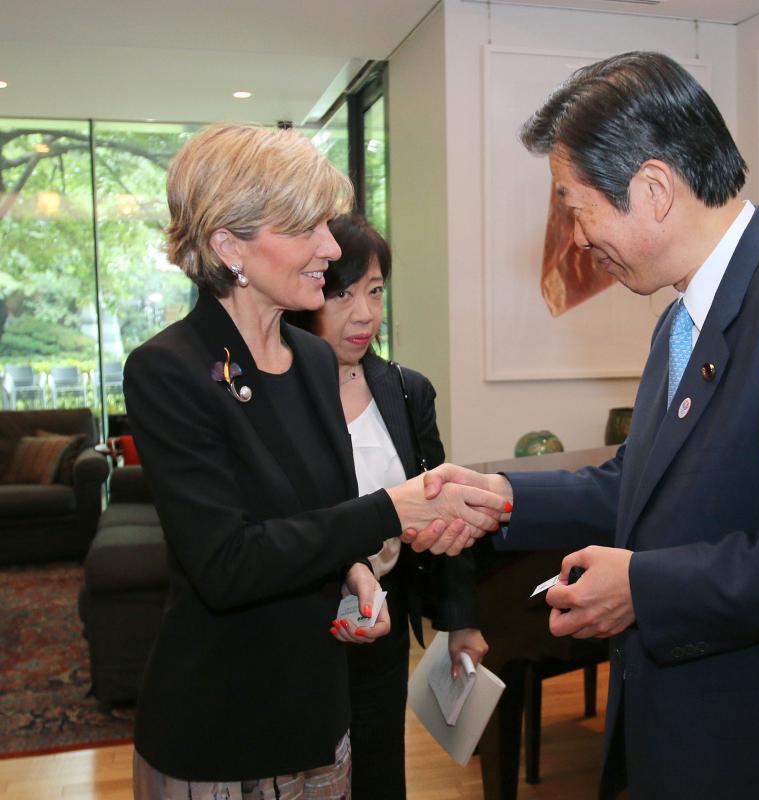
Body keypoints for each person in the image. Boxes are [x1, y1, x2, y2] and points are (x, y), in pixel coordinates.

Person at [411, 52, 759, 798]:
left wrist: (646, 589)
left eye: (575, 205)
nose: (574, 237)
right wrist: (501, 497)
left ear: (653, 189)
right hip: (704, 732)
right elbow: (644, 485)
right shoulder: (683, 319)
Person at [124, 122, 506, 798]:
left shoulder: (313, 362)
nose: (330, 249)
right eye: (306, 228)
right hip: (221, 728)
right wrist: (391, 510)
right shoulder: (167, 371)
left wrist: (355, 571)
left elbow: (313, 517)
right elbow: (226, 564)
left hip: (321, 720)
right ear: (227, 244)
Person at [288, 212, 489, 799]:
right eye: (341, 293)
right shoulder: (282, 393)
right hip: (305, 621)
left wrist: (461, 620)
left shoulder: (406, 390)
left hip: (382, 625)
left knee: (378, 773)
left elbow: (441, 506)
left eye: (375, 292)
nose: (363, 314)